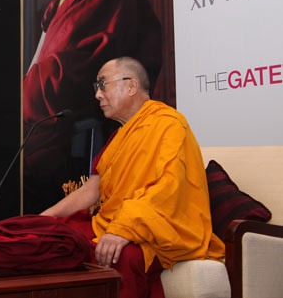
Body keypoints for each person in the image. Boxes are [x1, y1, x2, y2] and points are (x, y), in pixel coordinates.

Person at [23, 0, 163, 213]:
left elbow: (92, 63)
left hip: (83, 130)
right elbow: (34, 65)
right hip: (41, 128)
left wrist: (35, 86)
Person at [42, 57, 225, 298]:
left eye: (103, 84)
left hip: (159, 229)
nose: (98, 95)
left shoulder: (169, 125)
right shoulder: (119, 137)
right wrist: (47, 217)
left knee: (122, 256)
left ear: (131, 86)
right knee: (53, 238)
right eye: (97, 87)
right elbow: (90, 191)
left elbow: (169, 188)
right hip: (115, 223)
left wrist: (125, 229)